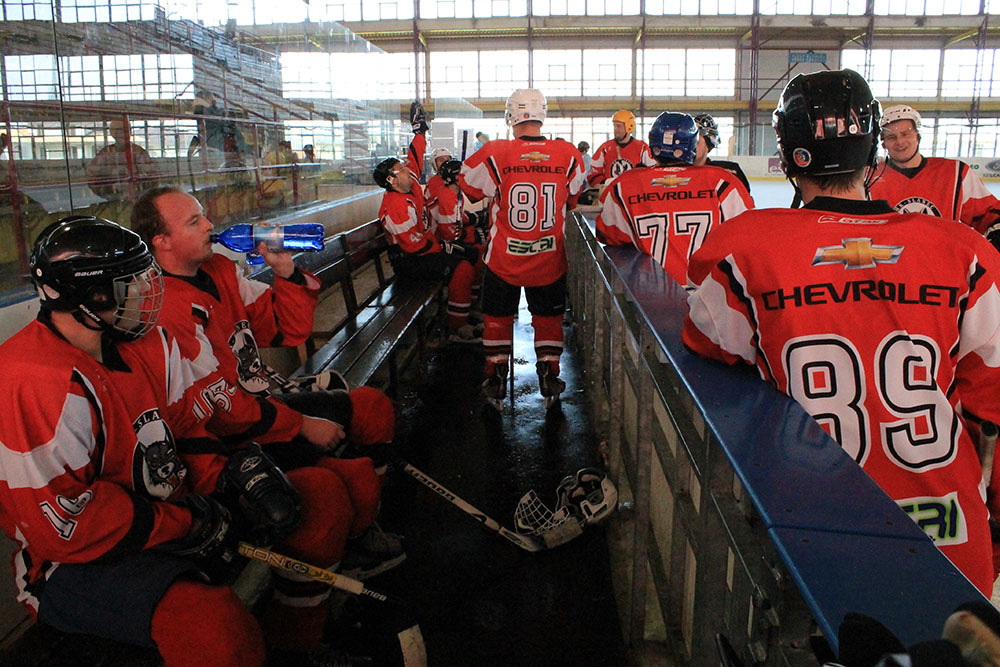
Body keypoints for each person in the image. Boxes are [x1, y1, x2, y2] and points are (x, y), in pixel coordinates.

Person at [682, 68, 1000, 596]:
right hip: (946, 525)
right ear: (874, 149)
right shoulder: (965, 251)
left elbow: (709, 341)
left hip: (808, 521)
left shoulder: (746, 246)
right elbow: (991, 396)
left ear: (788, 157)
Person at [0, 216, 374, 665]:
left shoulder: (147, 340)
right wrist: (187, 521)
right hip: (78, 558)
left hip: (171, 511)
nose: (146, 290)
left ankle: (297, 643)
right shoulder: (31, 381)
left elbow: (185, 424)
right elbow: (64, 525)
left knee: (321, 498)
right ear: (92, 296)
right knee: (213, 628)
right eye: (130, 282)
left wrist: (227, 476)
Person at [131, 186, 405, 579]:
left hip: (259, 412)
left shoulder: (220, 270)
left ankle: (361, 532)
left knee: (370, 408)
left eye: (203, 215)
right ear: (162, 241)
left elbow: (286, 329)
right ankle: (319, 581)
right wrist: (302, 424)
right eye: (194, 221)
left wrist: (285, 271)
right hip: (228, 439)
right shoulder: (163, 311)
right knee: (331, 490)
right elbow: (222, 410)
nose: (209, 225)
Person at [460, 88, 587, 410]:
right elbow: (572, 201)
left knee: (497, 319)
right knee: (549, 319)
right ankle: (548, 372)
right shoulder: (568, 153)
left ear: (511, 115)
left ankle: (496, 375)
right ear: (542, 113)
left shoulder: (495, 151)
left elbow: (470, 188)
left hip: (504, 257)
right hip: (548, 257)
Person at [596, 112, 754, 287]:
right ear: (692, 144)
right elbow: (749, 237)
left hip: (649, 294)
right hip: (708, 294)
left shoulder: (625, 184)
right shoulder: (724, 181)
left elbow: (607, 234)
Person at [373, 101, 480, 345]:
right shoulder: (396, 207)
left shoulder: (407, 186)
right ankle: (456, 328)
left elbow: (414, 157)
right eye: (400, 169)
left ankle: (462, 312)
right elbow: (413, 245)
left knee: (471, 254)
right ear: (391, 180)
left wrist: (420, 132)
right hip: (410, 261)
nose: (407, 170)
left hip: (425, 248)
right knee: (462, 266)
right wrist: (442, 246)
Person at [869, 104, 1000, 234]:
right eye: (892, 137)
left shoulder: (955, 173)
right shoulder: (869, 178)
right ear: (883, 143)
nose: (900, 142)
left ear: (917, 136)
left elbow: (988, 213)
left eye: (905, 134)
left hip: (942, 248)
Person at [86, 118, 159, 200]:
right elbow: (92, 177)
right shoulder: (105, 154)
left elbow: (153, 177)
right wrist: (111, 188)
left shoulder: (139, 152)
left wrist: (137, 185)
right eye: (120, 131)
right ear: (114, 134)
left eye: (127, 131)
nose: (124, 134)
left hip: (138, 199)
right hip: (114, 199)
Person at [587, 109, 656, 188]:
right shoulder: (605, 148)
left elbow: (653, 174)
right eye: (614, 126)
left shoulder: (642, 148)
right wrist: (606, 183)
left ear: (629, 127)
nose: (615, 129)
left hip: (634, 193)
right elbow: (593, 175)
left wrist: (642, 176)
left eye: (619, 126)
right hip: (611, 193)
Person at [692, 113, 751, 192]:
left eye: (695, 142)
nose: (689, 146)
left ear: (708, 146)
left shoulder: (731, 172)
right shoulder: (674, 173)